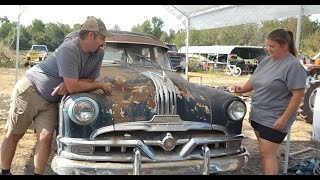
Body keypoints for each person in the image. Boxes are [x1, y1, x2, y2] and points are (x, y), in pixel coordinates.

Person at [1, 16, 113, 175]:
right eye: (102, 37)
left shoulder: (98, 54)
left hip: (52, 100)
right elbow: (77, 86)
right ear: (90, 35)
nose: (104, 42)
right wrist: (98, 85)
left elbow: (89, 79)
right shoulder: (69, 49)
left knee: (45, 137)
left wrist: (69, 85)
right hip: (30, 90)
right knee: (14, 134)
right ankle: (5, 171)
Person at [233, 29, 307, 175]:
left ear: (284, 45)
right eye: (268, 45)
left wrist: (284, 118)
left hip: (275, 118)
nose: (269, 49)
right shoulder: (267, 61)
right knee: (264, 153)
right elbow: (254, 80)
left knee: (268, 155)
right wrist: (241, 89)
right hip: (258, 114)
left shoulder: (293, 65)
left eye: (272, 46)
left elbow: (298, 95)